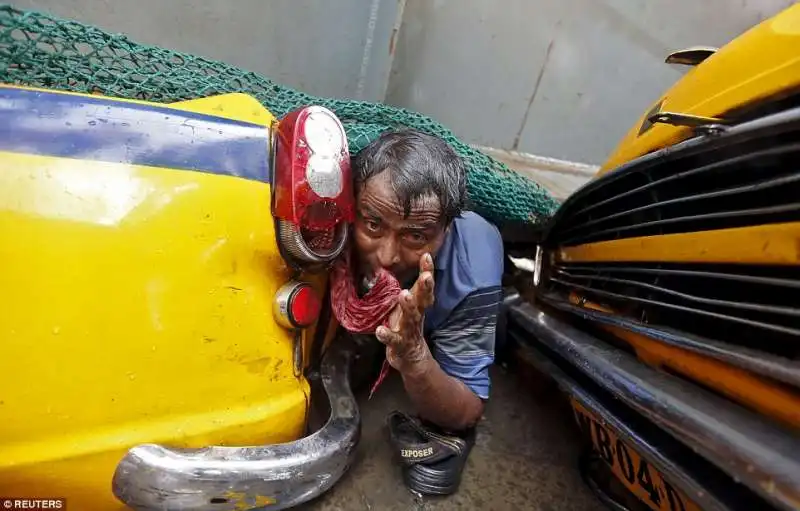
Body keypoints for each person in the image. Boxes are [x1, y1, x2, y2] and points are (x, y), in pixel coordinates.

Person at [349, 129, 505, 495]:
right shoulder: (329, 226)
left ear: (447, 230)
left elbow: (466, 411)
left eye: (415, 236)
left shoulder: (473, 276)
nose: (387, 257)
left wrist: (415, 356)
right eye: (373, 225)